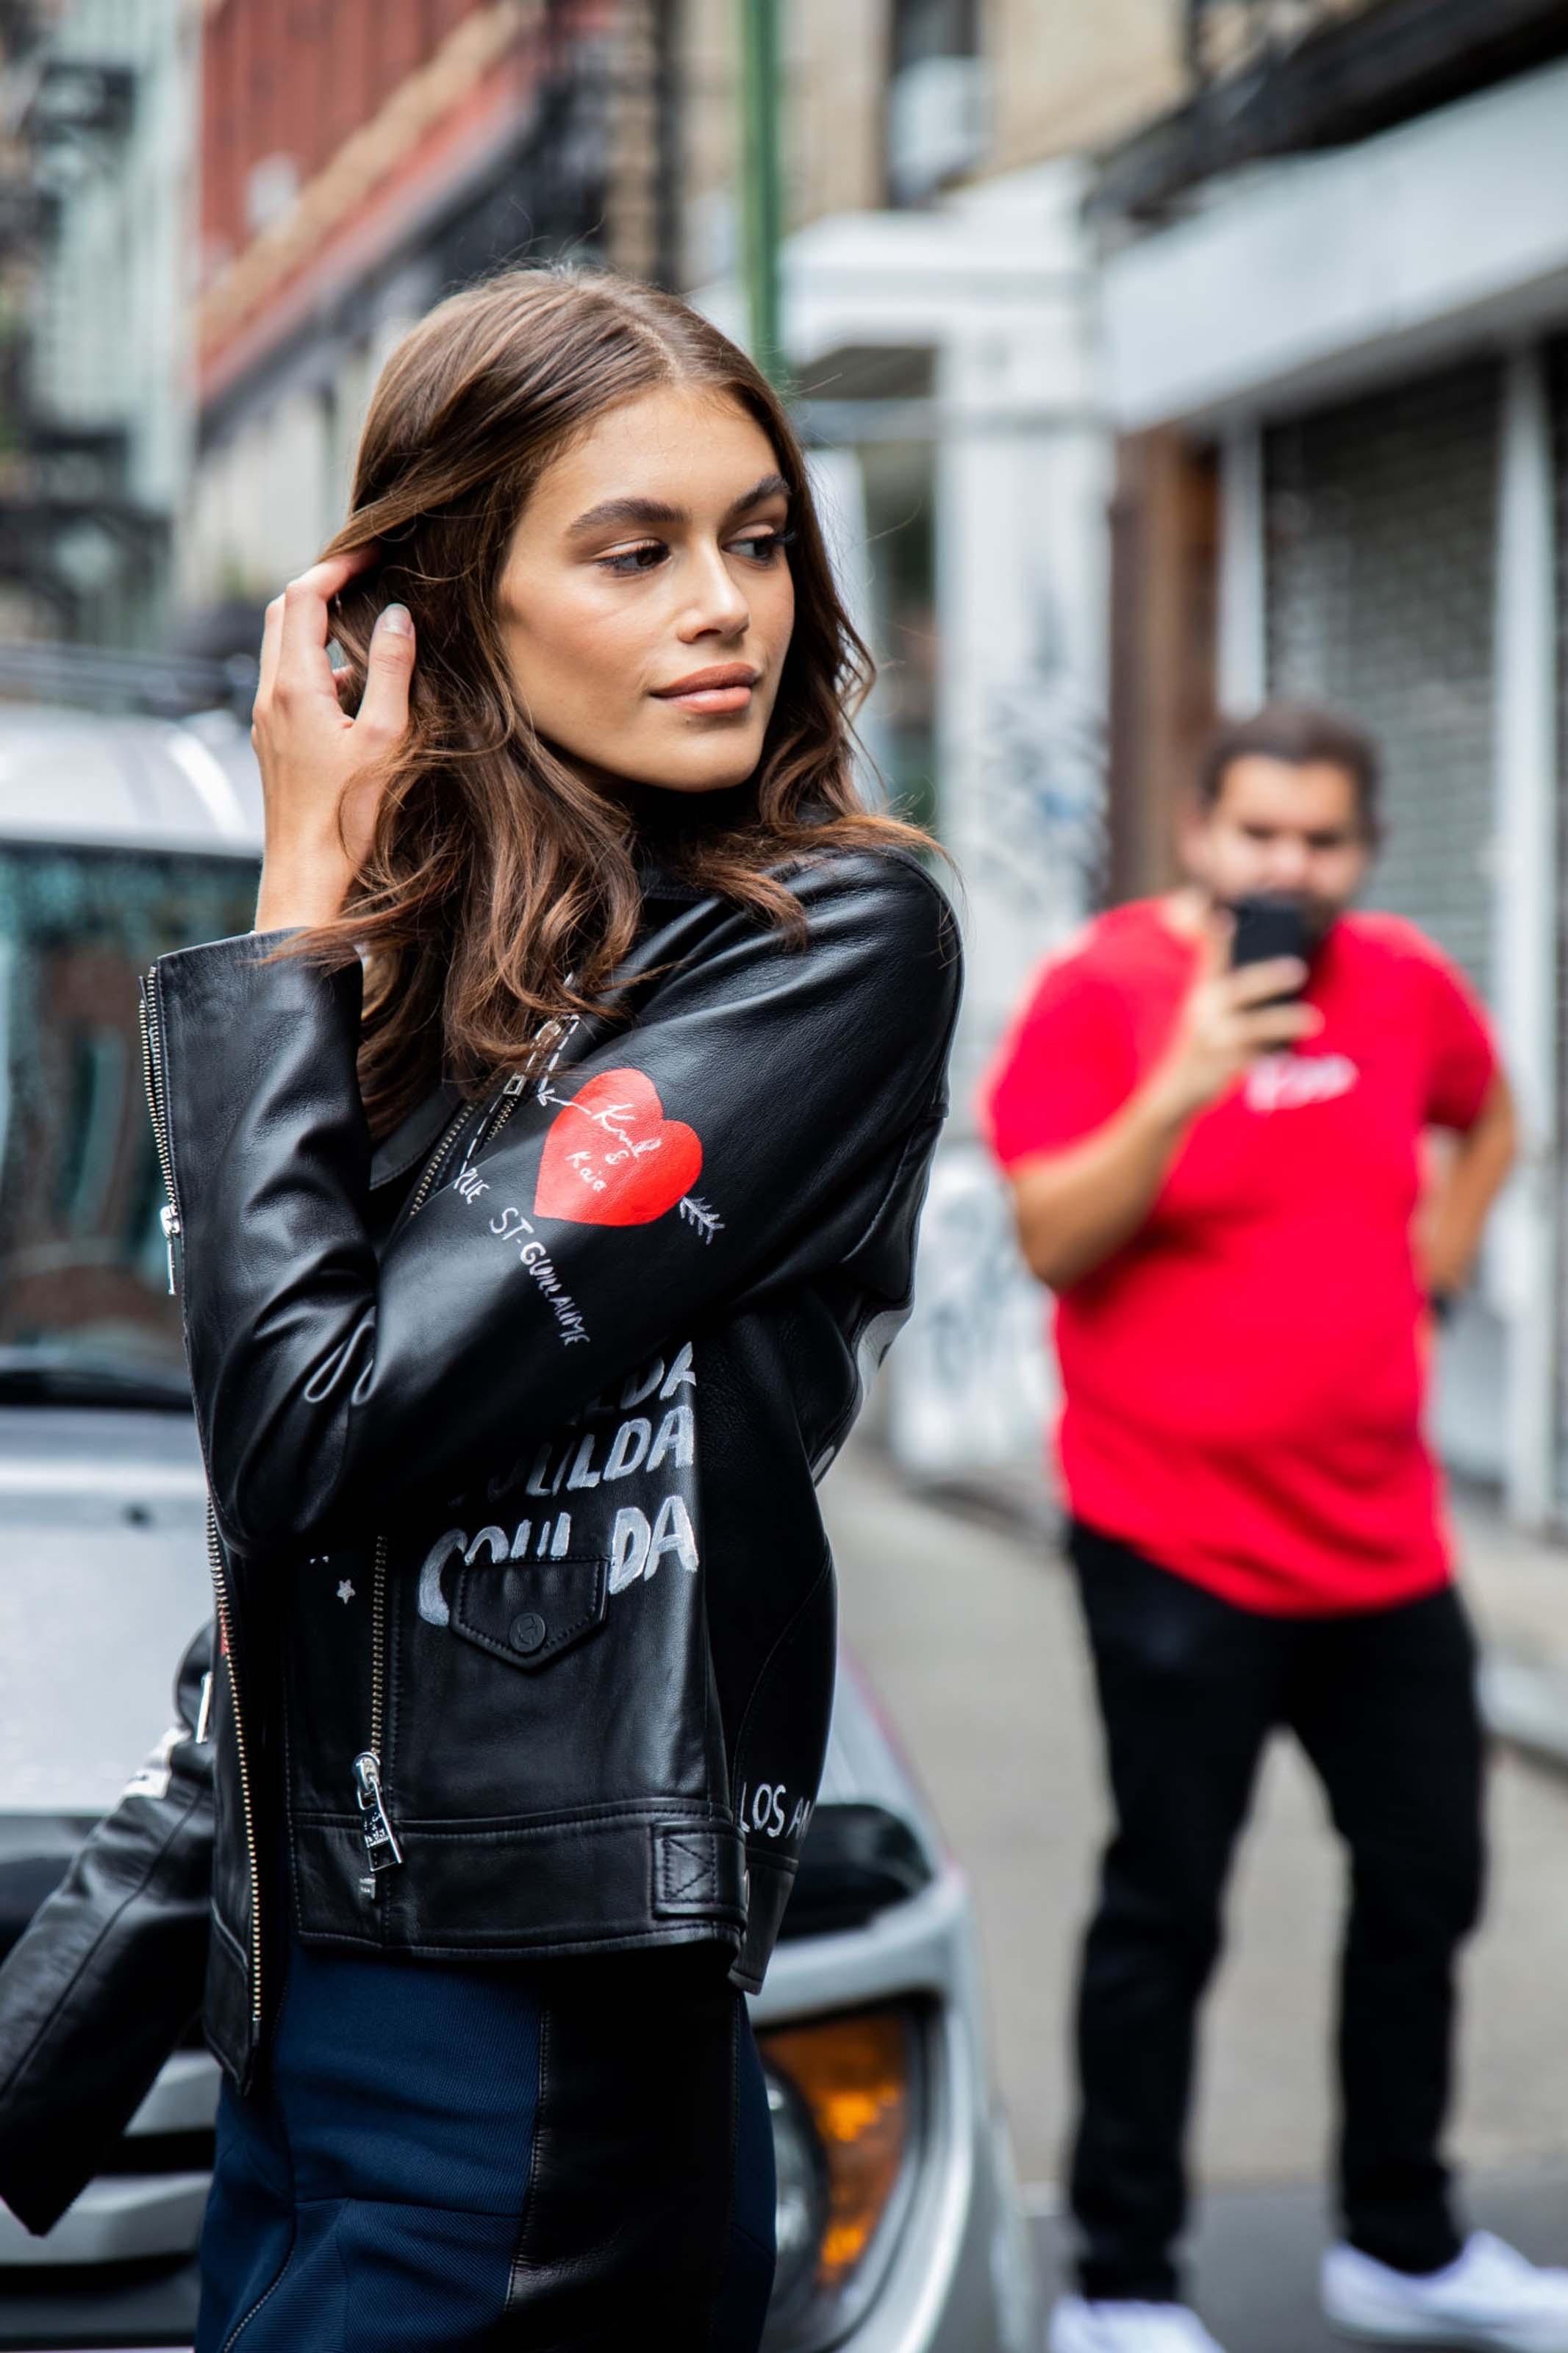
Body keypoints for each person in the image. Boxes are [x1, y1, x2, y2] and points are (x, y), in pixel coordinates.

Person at [73, 266, 959, 2349]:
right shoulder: (432, 974)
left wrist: (287, 913)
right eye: (634, 552)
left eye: (752, 542)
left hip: (529, 2047)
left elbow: (315, 1427)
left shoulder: (819, 942)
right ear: (449, 603)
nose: (724, 605)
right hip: (305, 1995)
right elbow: (306, 1546)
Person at [982, 704, 1568, 2353]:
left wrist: (1434, 1261)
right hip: (1171, 1543)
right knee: (1164, 1907)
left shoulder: (1398, 982)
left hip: (1383, 1543)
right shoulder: (1103, 993)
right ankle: (1120, 2281)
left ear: (1359, 852)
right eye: (1256, 835)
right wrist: (1180, 1083)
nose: (1284, 868)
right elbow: (1046, 1234)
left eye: (1317, 841)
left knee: (1428, 1885)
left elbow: (1492, 1115)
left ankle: (1399, 2239)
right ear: (1197, 831)